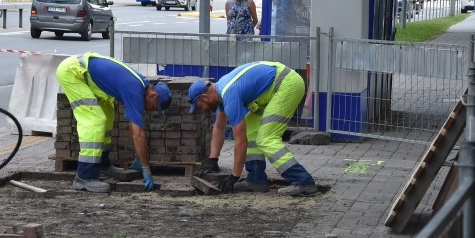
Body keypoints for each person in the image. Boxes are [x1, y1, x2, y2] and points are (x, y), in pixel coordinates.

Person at [188, 61, 320, 196]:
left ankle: (303, 181)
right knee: (251, 128)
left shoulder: (229, 94)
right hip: (270, 92)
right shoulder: (221, 91)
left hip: (286, 84)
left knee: (266, 138)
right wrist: (213, 160)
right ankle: (256, 180)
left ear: (205, 97)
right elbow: (219, 127)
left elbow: (241, 141)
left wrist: (234, 176)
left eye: (200, 105)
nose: (202, 109)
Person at [56, 53, 172, 193]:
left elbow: (133, 125)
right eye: (153, 107)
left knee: (108, 113)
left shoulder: (140, 86)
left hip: (85, 74)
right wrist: (146, 169)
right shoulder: (134, 89)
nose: (150, 111)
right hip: (73, 72)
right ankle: (84, 177)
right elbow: (138, 133)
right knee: (95, 120)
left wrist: (139, 158)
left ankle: (103, 164)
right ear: (152, 95)